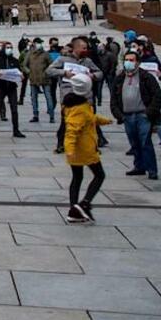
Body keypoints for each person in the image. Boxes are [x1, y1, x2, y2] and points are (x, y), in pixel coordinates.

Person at [61, 72, 110, 223]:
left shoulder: (73, 104)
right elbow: (72, 131)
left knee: (77, 177)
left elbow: (90, 118)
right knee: (99, 175)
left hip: (78, 150)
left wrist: (103, 120)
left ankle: (74, 209)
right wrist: (69, 149)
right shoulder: (81, 108)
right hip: (84, 150)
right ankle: (85, 203)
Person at [109, 48, 161, 179]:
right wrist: (119, 115)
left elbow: (158, 98)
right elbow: (114, 100)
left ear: (138, 62)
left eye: (131, 60)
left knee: (145, 142)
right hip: (127, 116)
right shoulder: (120, 78)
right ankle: (139, 166)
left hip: (142, 115)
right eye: (126, 60)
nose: (128, 62)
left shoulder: (146, 77)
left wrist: (148, 113)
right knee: (134, 143)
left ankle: (151, 169)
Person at [25, 41, 55, 123]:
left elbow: (52, 64)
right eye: (38, 43)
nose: (39, 45)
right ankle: (35, 115)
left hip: (45, 78)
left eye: (40, 43)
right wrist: (29, 72)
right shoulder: (30, 54)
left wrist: (47, 72)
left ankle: (51, 115)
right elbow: (24, 65)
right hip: (33, 78)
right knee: (34, 98)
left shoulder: (45, 54)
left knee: (48, 97)